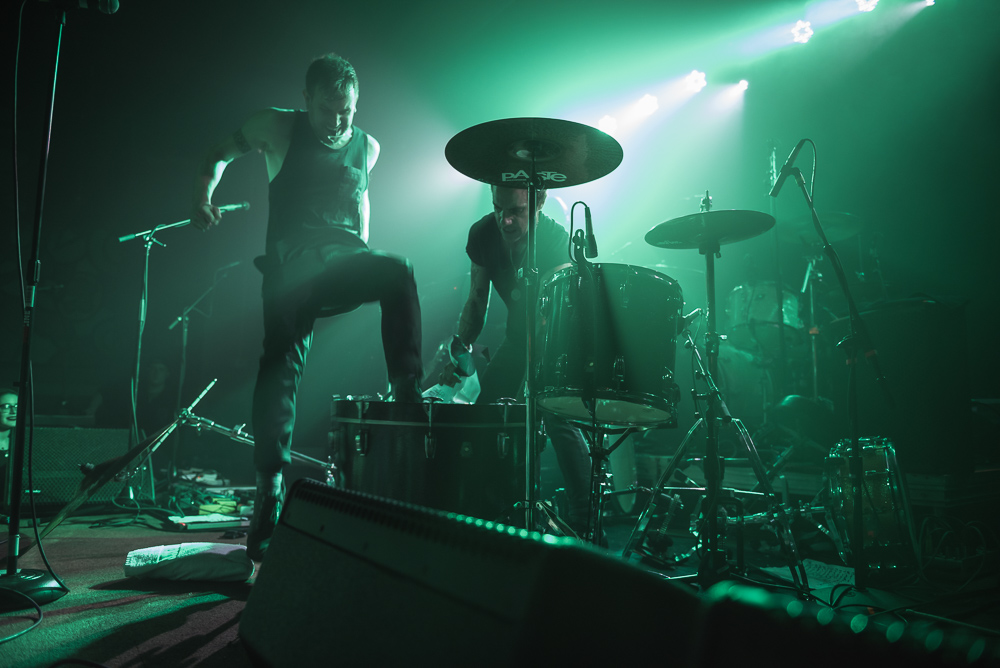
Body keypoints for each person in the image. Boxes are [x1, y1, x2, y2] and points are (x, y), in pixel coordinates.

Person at [191, 53, 423, 560]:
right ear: (306, 100)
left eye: (348, 111)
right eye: (327, 110)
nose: (339, 122)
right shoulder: (275, 127)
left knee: (398, 268)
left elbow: (361, 204)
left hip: (340, 264)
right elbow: (219, 152)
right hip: (290, 273)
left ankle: (406, 396)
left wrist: (363, 256)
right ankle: (269, 490)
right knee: (280, 368)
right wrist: (203, 196)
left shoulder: (369, 146)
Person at [441, 186, 593, 537]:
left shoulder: (557, 239)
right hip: (516, 336)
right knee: (485, 413)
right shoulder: (483, 234)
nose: (505, 219)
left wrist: (532, 381)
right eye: (498, 208)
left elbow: (550, 315)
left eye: (516, 211)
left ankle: (587, 526)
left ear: (539, 203)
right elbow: (477, 301)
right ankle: (485, 510)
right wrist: (458, 352)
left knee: (556, 418)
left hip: (559, 339)